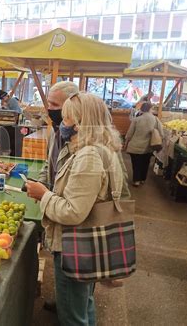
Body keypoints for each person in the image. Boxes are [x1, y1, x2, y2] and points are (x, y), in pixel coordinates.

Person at [25, 93, 131, 326]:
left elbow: (73, 212)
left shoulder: (89, 156)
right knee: (84, 303)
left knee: (72, 314)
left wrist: (44, 195)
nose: (63, 123)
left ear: (82, 121)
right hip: (88, 244)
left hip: (74, 247)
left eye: (67, 118)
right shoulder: (102, 148)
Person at [38, 81, 79, 189]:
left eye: (55, 104)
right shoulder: (55, 130)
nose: (49, 108)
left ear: (71, 106)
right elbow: (50, 161)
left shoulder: (82, 139)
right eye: (49, 103)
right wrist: (42, 182)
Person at [124, 101, 164, 187]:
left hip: (135, 146)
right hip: (148, 147)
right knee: (145, 163)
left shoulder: (136, 119)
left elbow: (129, 134)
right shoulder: (156, 119)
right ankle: (142, 179)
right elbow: (161, 133)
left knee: (136, 164)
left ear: (142, 109)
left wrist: (126, 144)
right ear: (150, 109)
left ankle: (136, 181)